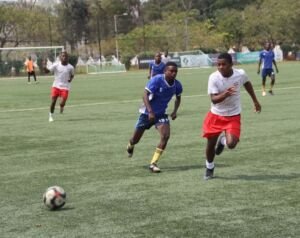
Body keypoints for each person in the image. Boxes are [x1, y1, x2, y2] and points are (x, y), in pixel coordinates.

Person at [202, 53, 261, 180]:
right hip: (216, 115)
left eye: (224, 64)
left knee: (232, 144)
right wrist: (225, 94)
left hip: (233, 115)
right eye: (218, 64)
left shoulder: (240, 74)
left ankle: (223, 141)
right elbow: (214, 99)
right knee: (210, 144)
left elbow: (247, 83)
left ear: (231, 65)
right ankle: (209, 167)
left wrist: (255, 101)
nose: (221, 67)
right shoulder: (213, 77)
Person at [127, 61, 183, 173]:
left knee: (165, 136)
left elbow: (178, 98)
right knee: (135, 139)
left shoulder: (177, 85)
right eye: (171, 71)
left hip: (161, 114)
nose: (173, 73)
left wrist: (175, 111)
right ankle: (130, 145)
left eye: (175, 71)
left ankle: (153, 163)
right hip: (146, 114)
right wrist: (150, 111)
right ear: (165, 71)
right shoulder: (157, 80)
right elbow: (144, 95)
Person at [43, 51, 75, 122]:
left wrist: (70, 79)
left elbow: (72, 75)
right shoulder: (56, 65)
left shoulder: (70, 67)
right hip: (56, 86)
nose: (64, 57)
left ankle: (62, 106)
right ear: (60, 57)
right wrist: (44, 66)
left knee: (62, 102)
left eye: (65, 56)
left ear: (68, 58)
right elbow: (47, 71)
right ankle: (50, 116)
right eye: (62, 56)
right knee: (53, 101)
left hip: (65, 87)